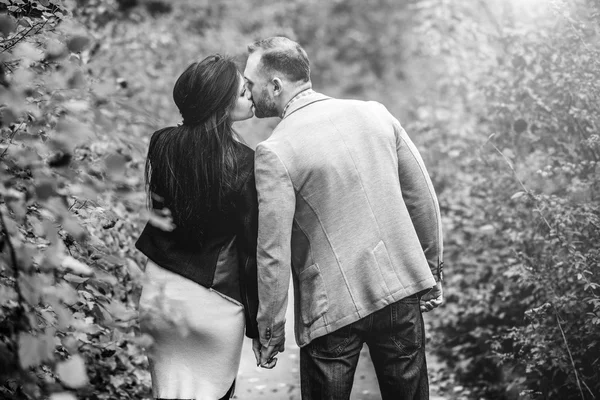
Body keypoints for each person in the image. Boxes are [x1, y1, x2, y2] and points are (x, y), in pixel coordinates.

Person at [244, 37, 444, 400]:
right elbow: (423, 199)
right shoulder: (375, 114)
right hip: (399, 287)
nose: (247, 91)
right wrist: (430, 271)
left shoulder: (275, 151)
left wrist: (270, 332)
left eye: (251, 83)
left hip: (330, 311)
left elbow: (272, 251)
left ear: (275, 85)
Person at [135, 54, 259, 400]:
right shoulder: (246, 162)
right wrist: (258, 325)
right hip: (214, 303)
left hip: (159, 297)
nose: (249, 94)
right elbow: (250, 251)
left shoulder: (161, 144)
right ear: (219, 105)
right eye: (240, 92)